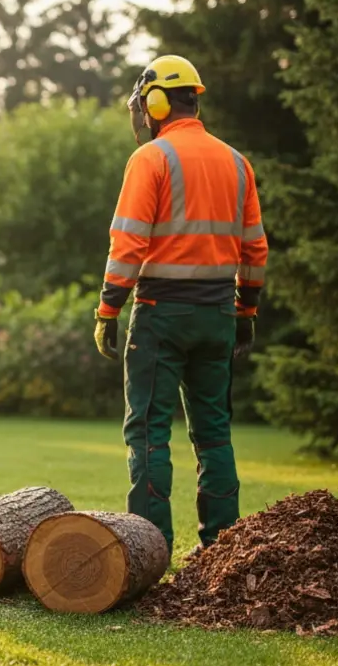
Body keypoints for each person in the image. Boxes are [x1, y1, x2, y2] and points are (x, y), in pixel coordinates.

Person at [92, 55, 269, 558]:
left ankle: (151, 550)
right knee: (214, 434)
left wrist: (108, 310)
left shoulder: (152, 159)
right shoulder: (237, 162)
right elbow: (255, 248)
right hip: (217, 316)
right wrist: (246, 312)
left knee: (148, 431)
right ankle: (222, 550)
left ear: (157, 102)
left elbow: (127, 243)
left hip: (161, 315)